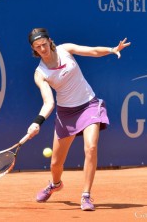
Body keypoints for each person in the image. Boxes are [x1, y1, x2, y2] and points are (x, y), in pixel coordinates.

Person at [26, 28, 131, 211]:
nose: (42, 49)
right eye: (37, 47)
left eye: (44, 44)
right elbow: (49, 102)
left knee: (91, 147)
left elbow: (92, 51)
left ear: (49, 41)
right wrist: (37, 122)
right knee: (56, 164)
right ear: (34, 50)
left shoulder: (65, 49)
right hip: (66, 114)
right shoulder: (40, 73)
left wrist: (111, 49)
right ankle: (55, 184)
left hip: (89, 105)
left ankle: (86, 195)